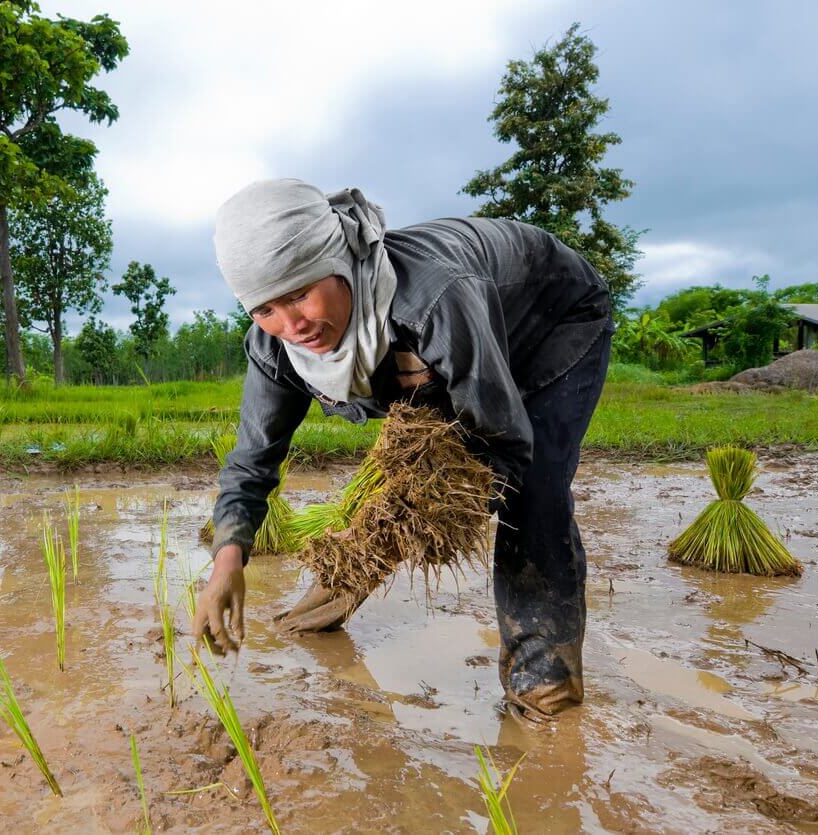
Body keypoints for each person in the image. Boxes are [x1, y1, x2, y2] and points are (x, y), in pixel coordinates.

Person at [190, 178, 614, 720]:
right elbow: (252, 461)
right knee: (410, 452)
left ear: (341, 262)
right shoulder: (276, 346)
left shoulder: (433, 299)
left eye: (299, 294)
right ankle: (344, 580)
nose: (291, 326)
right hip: (451, 345)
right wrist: (227, 561)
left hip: (553, 321)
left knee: (532, 493)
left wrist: (395, 537)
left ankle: (544, 689)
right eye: (264, 309)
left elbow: (504, 447)